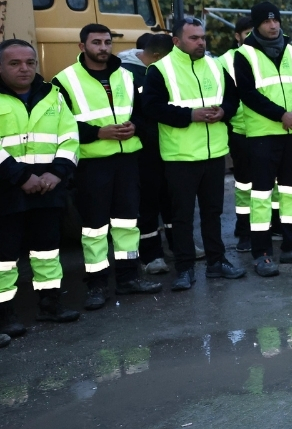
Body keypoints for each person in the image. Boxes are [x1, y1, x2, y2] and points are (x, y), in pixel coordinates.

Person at [55, 24, 164, 309]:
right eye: (96, 43)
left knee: (128, 223)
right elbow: (59, 126)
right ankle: (97, 285)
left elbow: (144, 113)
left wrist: (134, 127)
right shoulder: (64, 81)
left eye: (106, 42)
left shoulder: (126, 76)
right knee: (94, 228)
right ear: (82, 47)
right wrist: (97, 133)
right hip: (92, 163)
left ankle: (129, 278)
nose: (103, 48)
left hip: (128, 160)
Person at [140, 18, 246, 290]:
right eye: (194, 38)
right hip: (181, 156)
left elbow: (233, 98)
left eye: (203, 37)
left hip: (214, 153)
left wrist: (224, 111)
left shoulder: (215, 64)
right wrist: (190, 115)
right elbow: (151, 108)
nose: (201, 42)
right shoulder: (160, 70)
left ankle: (216, 261)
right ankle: (185, 268)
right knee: (182, 217)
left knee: (213, 213)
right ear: (177, 41)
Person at [0, 39, 81, 341]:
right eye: (14, 63)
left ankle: (50, 304)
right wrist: (21, 177)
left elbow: (70, 138)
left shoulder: (54, 96)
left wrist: (57, 173)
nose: (24, 68)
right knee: (4, 257)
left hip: (48, 188)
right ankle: (4, 315)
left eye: (29, 62)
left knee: (47, 250)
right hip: (7, 189)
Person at [233, 2, 292, 275]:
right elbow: (247, 94)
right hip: (262, 135)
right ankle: (261, 253)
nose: (273, 26)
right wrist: (281, 115)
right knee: (261, 195)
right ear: (257, 25)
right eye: (267, 22)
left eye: (276, 21)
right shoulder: (244, 54)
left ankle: (291, 246)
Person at [123, 33, 178, 274]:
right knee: (147, 202)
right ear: (156, 56)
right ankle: (151, 254)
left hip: (171, 145)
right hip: (143, 149)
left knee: (172, 198)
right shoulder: (126, 74)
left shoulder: (163, 70)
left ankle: (178, 246)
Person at [217, 17, 255, 253]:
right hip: (240, 129)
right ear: (237, 36)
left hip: (270, 129)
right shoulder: (224, 61)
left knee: (271, 183)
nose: (250, 37)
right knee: (244, 183)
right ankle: (244, 230)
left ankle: (272, 226)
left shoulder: (269, 55)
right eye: (247, 33)